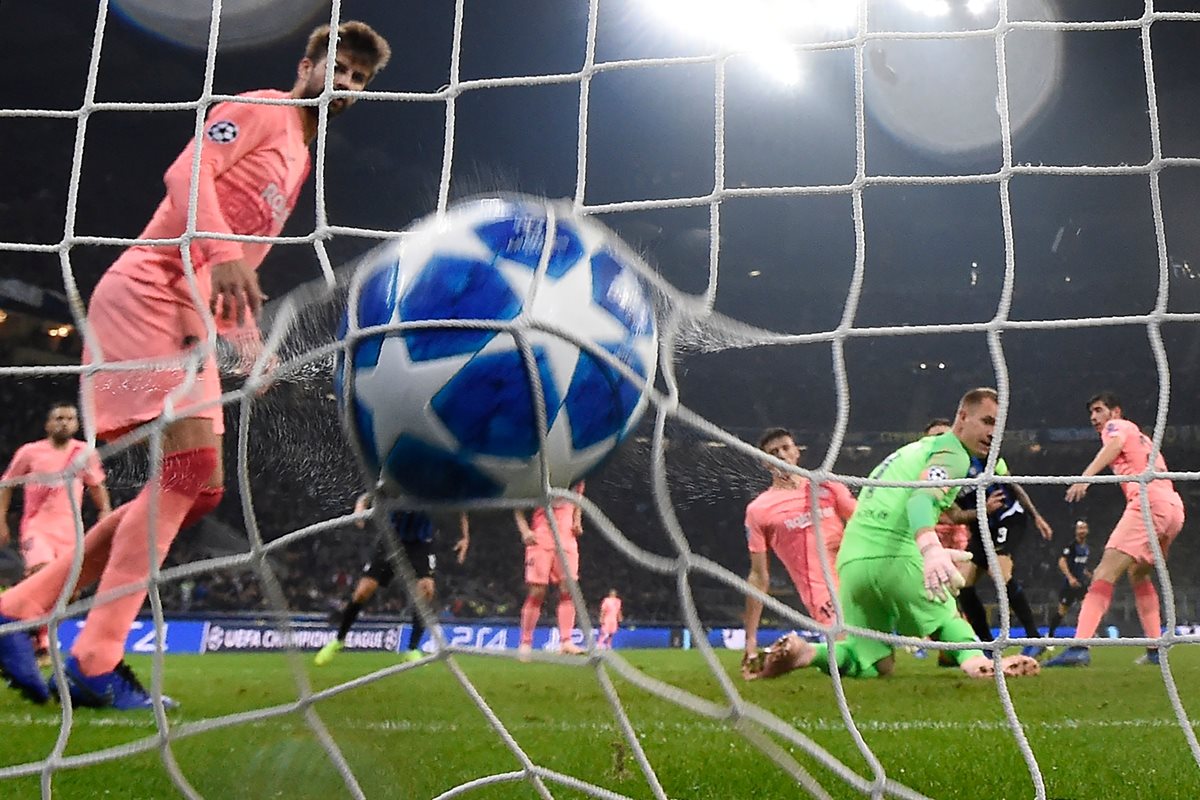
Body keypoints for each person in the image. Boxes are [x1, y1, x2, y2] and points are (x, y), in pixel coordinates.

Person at [0, 21, 392, 709]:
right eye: (338, 66)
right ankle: (93, 656)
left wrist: (246, 350)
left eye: (359, 78)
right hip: (150, 294)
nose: (346, 83)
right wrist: (221, 256)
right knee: (189, 476)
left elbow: (233, 275)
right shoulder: (263, 108)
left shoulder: (300, 155)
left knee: (199, 487)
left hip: (189, 316)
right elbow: (188, 173)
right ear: (307, 64)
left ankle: (23, 611)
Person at [743, 388, 1040, 681]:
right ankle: (977, 662)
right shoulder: (953, 454)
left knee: (875, 662)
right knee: (946, 619)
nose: (993, 433)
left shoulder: (907, 452)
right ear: (962, 417)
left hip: (851, 565)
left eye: (998, 427)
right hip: (894, 555)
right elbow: (922, 499)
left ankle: (808, 653)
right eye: (987, 422)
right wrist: (930, 548)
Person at [1046, 392, 1184, 668]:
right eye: (1091, 414)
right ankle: (1156, 649)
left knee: (1103, 573)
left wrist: (1085, 478)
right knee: (1138, 573)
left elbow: (1115, 443)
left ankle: (1079, 647)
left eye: (1099, 410)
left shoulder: (1117, 427)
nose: (1095, 418)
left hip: (1148, 503)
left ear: (1115, 412)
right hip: (1173, 507)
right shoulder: (1142, 437)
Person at [0, 404, 112, 661]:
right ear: (48, 424)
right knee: (42, 575)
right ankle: (38, 638)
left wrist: (104, 511)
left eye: (70, 418)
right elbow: (6, 485)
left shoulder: (83, 452)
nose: (64, 423)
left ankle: (40, 634)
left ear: (76, 424)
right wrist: (2, 520)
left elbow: (96, 485)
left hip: (70, 532)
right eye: (58, 418)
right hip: (36, 528)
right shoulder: (30, 452)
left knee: (71, 592)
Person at [742, 428, 855, 668]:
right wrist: (750, 638)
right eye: (773, 452)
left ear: (796, 452)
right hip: (823, 594)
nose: (781, 455)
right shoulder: (759, 509)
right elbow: (758, 576)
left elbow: (862, 523)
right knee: (850, 652)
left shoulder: (827, 485)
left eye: (785, 448)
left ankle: (797, 652)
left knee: (883, 665)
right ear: (765, 463)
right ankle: (795, 652)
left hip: (856, 578)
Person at [315, 493, 468, 665]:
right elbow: (368, 496)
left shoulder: (434, 483)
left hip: (421, 544)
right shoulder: (396, 477)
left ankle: (412, 649)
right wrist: (360, 506)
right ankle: (338, 640)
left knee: (426, 590)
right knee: (363, 591)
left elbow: (458, 505)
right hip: (390, 540)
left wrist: (465, 537)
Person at [948, 448, 1054, 658]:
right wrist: (983, 509)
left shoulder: (983, 457)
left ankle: (1034, 638)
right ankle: (988, 647)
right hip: (981, 526)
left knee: (999, 573)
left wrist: (1037, 517)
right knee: (962, 584)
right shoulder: (940, 477)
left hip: (1008, 518)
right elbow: (956, 516)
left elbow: (1014, 487)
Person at [516, 482, 586, 658]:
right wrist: (525, 531)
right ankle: (525, 643)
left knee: (569, 589)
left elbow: (577, 498)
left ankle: (566, 642)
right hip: (542, 538)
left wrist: (577, 520)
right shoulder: (540, 473)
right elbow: (517, 505)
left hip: (567, 539)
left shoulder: (578, 475)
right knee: (537, 592)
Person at [1045, 520, 1092, 640]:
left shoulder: (1086, 547)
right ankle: (1050, 634)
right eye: (1080, 528)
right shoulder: (1071, 545)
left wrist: (1087, 574)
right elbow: (1062, 561)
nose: (1082, 531)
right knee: (1062, 611)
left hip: (1081, 584)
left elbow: (1081, 564)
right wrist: (1070, 578)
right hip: (1070, 585)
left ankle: (1084, 635)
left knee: (1086, 609)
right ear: (1076, 531)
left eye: (1084, 528)